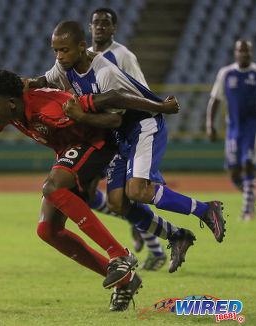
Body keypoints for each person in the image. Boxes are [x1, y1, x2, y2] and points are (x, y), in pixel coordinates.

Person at [27, 20, 227, 271]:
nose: (59, 55)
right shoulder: (64, 66)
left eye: (64, 50)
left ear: (81, 47)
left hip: (142, 125)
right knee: (117, 203)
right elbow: (47, 78)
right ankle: (177, 236)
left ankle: (206, 209)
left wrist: (160, 107)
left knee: (137, 191)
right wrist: (30, 83)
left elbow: (117, 114)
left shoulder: (104, 71)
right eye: (55, 50)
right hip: (121, 135)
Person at [0, 69, 180, 311]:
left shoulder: (52, 108)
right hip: (71, 152)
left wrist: (159, 106)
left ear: (10, 103)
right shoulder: (11, 107)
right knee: (48, 230)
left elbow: (112, 114)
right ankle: (125, 280)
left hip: (100, 144)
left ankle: (120, 255)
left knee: (52, 186)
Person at [86, 7, 166, 269]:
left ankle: (154, 249)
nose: (100, 27)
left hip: (123, 133)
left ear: (114, 28)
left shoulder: (123, 56)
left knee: (127, 195)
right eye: (96, 22)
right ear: (89, 27)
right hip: (99, 133)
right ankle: (136, 220)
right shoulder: (85, 57)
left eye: (105, 23)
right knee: (88, 194)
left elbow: (140, 92)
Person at [206, 39, 256, 221]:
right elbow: (215, 100)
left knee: (248, 164)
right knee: (234, 172)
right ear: (235, 52)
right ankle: (251, 195)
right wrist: (210, 125)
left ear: (252, 53)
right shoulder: (226, 73)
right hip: (233, 129)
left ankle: (247, 211)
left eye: (247, 51)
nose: (244, 54)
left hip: (253, 128)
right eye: (241, 51)